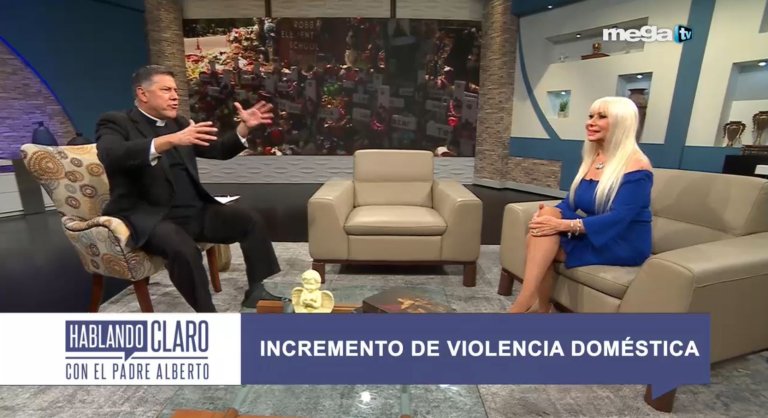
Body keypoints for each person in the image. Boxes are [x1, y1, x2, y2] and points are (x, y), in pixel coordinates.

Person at [96, 65, 282, 312]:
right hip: (152, 217)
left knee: (249, 220)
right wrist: (170, 140)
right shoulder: (116, 122)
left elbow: (218, 150)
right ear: (142, 93)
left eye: (175, 90)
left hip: (194, 211)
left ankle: (258, 291)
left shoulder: (179, 123)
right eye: (166, 90)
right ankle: (207, 316)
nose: (175, 96)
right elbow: (111, 154)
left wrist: (244, 128)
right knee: (184, 250)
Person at [508, 96, 653, 313]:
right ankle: (533, 304)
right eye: (590, 116)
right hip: (595, 232)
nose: (590, 122)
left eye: (601, 117)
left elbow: (619, 217)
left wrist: (563, 225)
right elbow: (570, 203)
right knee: (545, 222)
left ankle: (529, 304)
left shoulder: (637, 165)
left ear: (622, 123)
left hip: (622, 241)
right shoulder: (595, 157)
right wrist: (549, 216)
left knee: (540, 239)